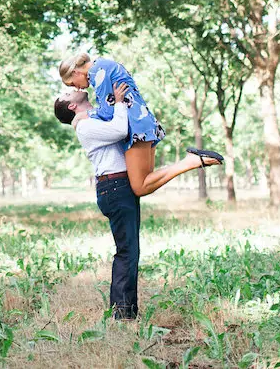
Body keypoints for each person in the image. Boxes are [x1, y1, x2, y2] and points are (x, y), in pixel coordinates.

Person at [54, 80, 223, 320]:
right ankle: (123, 315)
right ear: (71, 106)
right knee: (127, 252)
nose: (74, 88)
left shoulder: (91, 119)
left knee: (130, 251)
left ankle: (125, 312)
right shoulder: (84, 127)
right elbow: (120, 131)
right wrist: (121, 103)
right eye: (68, 92)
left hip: (119, 185)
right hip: (114, 188)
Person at [58, 51, 223, 197]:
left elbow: (109, 112)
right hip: (143, 122)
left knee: (140, 187)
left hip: (135, 127)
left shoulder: (97, 73)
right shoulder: (104, 65)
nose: (77, 88)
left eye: (72, 83)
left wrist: (85, 114)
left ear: (75, 72)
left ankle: (191, 161)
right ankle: (192, 161)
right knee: (147, 180)